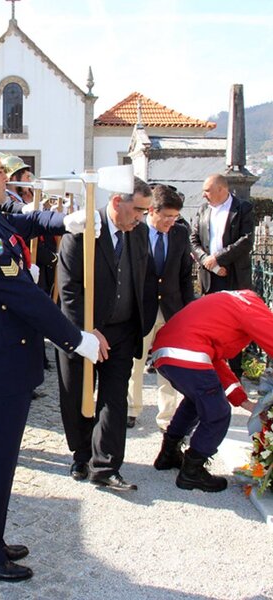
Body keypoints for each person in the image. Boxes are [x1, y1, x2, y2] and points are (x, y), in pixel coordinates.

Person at [0, 125, 101, 582]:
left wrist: (63, 223)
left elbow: (21, 220)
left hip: (4, 364)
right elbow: (27, 299)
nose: (5, 177)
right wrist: (76, 339)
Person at [56, 177, 152, 491]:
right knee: (77, 396)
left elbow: (144, 278)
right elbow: (69, 290)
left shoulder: (139, 234)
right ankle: (82, 455)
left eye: (145, 211)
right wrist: (87, 331)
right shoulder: (82, 232)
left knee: (114, 399)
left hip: (122, 332)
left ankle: (106, 465)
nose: (141, 217)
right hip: (83, 332)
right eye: (137, 209)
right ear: (116, 202)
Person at [151, 290, 270, 492]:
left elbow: (216, 364)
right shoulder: (250, 304)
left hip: (165, 352)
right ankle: (192, 471)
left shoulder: (225, 304)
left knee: (196, 401)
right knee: (218, 412)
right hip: (189, 351)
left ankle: (168, 454)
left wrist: (243, 400)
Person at [126, 185, 194, 430]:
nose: (171, 222)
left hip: (171, 310)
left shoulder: (180, 235)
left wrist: (187, 311)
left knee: (169, 365)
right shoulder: (136, 232)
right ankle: (132, 409)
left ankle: (167, 416)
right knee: (136, 361)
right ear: (152, 211)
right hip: (141, 309)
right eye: (167, 216)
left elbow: (186, 274)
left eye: (175, 217)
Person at [190, 173, 254, 378]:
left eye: (207, 190)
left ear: (222, 189)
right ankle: (212, 367)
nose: (204, 195)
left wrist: (219, 258)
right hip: (210, 276)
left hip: (234, 275)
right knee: (211, 323)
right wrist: (209, 262)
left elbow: (246, 240)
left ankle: (235, 371)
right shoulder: (202, 210)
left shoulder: (243, 208)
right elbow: (193, 240)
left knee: (235, 324)